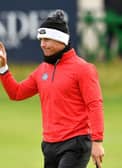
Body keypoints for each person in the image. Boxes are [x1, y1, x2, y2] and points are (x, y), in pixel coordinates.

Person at [0, 9, 104, 168]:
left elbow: (94, 105)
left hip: (76, 143)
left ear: (61, 40)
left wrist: (97, 141)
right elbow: (16, 93)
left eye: (47, 39)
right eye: (41, 39)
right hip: (50, 145)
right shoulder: (42, 69)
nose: (42, 44)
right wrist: (3, 69)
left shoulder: (84, 69)